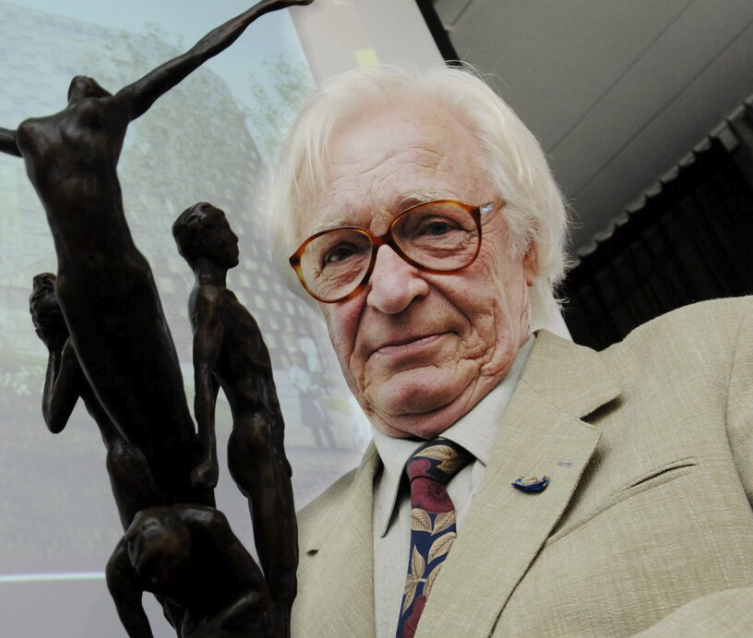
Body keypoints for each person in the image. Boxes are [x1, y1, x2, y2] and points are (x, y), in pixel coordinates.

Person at [268, 65, 753, 638]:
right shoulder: (283, 563)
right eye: (342, 251)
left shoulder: (723, 356)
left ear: (527, 246)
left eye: (434, 228)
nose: (392, 290)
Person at [0, 0, 311, 508]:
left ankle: (189, 505)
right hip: (118, 280)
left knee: (141, 413)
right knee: (158, 408)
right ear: (89, 93)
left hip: (83, 290)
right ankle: (187, 505)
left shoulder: (32, 133)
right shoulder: (104, 113)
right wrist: (265, 8)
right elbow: (196, 53)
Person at [173, 202, 298, 638]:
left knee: (284, 568)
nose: (235, 238)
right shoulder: (208, 298)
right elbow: (203, 375)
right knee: (281, 577)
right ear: (206, 242)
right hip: (254, 436)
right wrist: (207, 454)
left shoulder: (222, 298)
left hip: (263, 439)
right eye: (225, 230)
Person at [29, 272, 161, 530]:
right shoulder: (114, 328)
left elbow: (53, 419)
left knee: (146, 547)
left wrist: (53, 351)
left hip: (126, 456)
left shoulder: (73, 348)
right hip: (160, 447)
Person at [106, 505, 273, 638]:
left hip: (226, 598)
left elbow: (257, 593)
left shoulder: (209, 524)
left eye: (181, 566)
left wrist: (208, 632)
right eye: (171, 578)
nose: (179, 578)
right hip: (192, 619)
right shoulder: (120, 574)